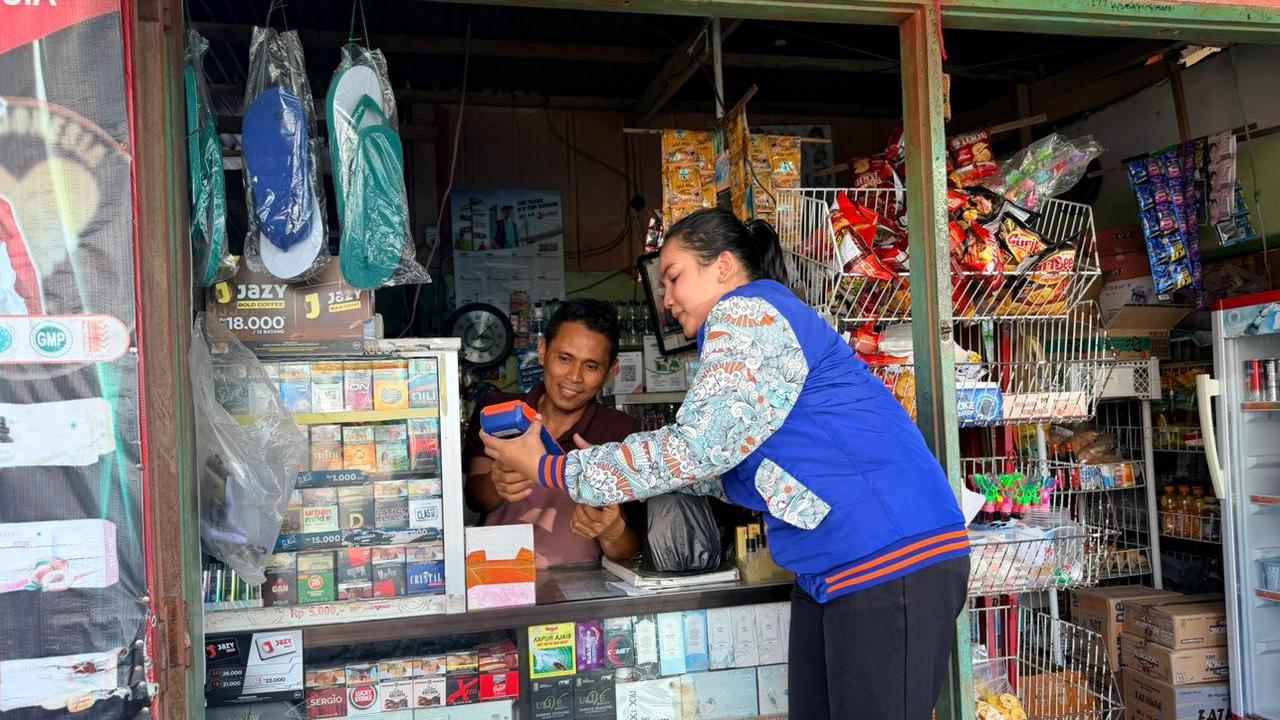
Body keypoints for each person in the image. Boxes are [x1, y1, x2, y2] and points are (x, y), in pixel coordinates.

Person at [483, 208, 969, 719]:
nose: (666, 301)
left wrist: (553, 470)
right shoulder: (750, 326)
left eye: (673, 278)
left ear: (721, 267)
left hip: (890, 557)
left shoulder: (747, 312)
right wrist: (602, 469)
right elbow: (716, 470)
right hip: (833, 571)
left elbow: (696, 449)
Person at [464, 298, 643, 568]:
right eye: (565, 358)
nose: (574, 377)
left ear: (611, 371)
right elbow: (475, 498)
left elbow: (629, 549)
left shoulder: (621, 433)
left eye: (591, 366)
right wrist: (497, 483)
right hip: (496, 576)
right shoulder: (497, 408)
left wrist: (611, 531)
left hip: (581, 585)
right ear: (543, 351)